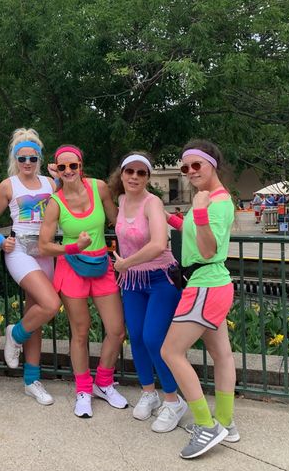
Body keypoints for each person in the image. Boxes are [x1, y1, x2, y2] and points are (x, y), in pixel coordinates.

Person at [161, 140, 239, 459]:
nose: (190, 171)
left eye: (197, 165)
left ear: (212, 165)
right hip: (211, 283)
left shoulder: (215, 203)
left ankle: (207, 426)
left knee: (171, 351)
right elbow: (196, 234)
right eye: (185, 167)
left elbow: (208, 249)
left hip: (205, 285)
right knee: (222, 354)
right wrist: (173, 220)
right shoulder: (207, 200)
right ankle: (225, 422)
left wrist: (203, 213)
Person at [38, 145, 128, 419]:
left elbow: (118, 221)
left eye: (73, 166)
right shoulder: (55, 202)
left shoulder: (99, 188)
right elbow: (44, 246)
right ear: (57, 169)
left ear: (81, 166)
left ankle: (103, 382)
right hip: (72, 267)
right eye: (62, 167)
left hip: (101, 265)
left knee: (116, 329)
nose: (68, 171)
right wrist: (73, 248)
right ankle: (83, 389)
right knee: (80, 331)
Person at [108, 152, 184, 432]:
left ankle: (173, 400)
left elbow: (157, 244)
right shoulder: (121, 200)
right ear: (122, 174)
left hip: (160, 278)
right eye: (130, 172)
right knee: (137, 337)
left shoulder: (153, 203)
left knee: (154, 339)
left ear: (148, 178)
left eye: (141, 173)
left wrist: (124, 263)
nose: (135, 177)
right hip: (133, 282)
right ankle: (148, 392)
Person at [0, 128, 60, 406]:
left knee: (35, 314)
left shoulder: (50, 184)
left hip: (46, 249)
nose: (27, 163)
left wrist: (59, 176)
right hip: (20, 250)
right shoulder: (8, 185)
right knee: (50, 304)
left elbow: (74, 200)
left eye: (32, 158)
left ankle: (31, 380)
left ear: (39, 158)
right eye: (22, 158)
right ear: (15, 159)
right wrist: (2, 239)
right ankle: (14, 335)